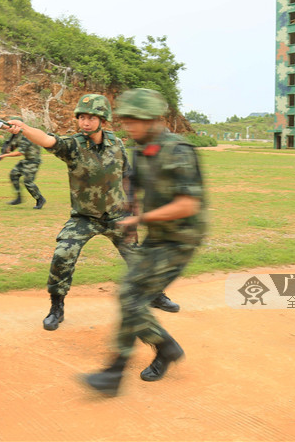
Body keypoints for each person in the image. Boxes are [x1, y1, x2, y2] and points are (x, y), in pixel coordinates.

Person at [6, 94, 179, 332]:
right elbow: (47, 140)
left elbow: (126, 175)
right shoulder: (73, 145)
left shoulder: (116, 144)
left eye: (91, 118)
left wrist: (132, 206)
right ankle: (56, 308)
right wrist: (25, 128)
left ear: (103, 121)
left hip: (117, 216)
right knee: (63, 254)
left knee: (138, 257)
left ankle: (155, 295)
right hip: (84, 217)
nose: (85, 122)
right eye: (82, 117)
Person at [83, 88, 206, 396]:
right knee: (129, 296)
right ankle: (163, 349)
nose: (130, 127)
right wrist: (130, 204)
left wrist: (140, 219)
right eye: (127, 120)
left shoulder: (179, 151)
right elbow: (133, 180)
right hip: (158, 237)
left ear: (156, 120)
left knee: (131, 296)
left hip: (181, 240)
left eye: (137, 120)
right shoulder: (142, 148)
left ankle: (117, 372)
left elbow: (188, 205)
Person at [0, 117, 46, 209]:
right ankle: (18, 198)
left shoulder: (26, 136)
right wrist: (6, 150)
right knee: (13, 174)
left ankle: (40, 199)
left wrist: (4, 156)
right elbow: (12, 147)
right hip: (26, 160)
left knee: (28, 182)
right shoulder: (17, 136)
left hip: (33, 161)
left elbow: (20, 153)